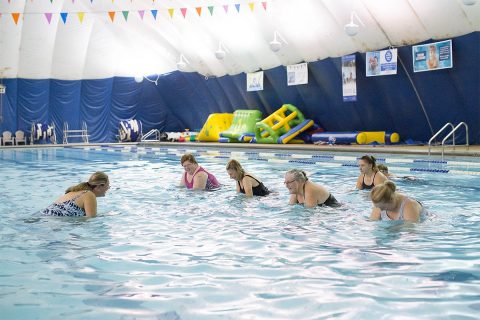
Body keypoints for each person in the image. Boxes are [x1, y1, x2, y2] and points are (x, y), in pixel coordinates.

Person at [41, 171, 110, 217]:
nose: (108, 188)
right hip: (50, 221)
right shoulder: (89, 194)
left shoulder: (77, 191)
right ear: (99, 186)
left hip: (42, 216)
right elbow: (91, 219)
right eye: (108, 186)